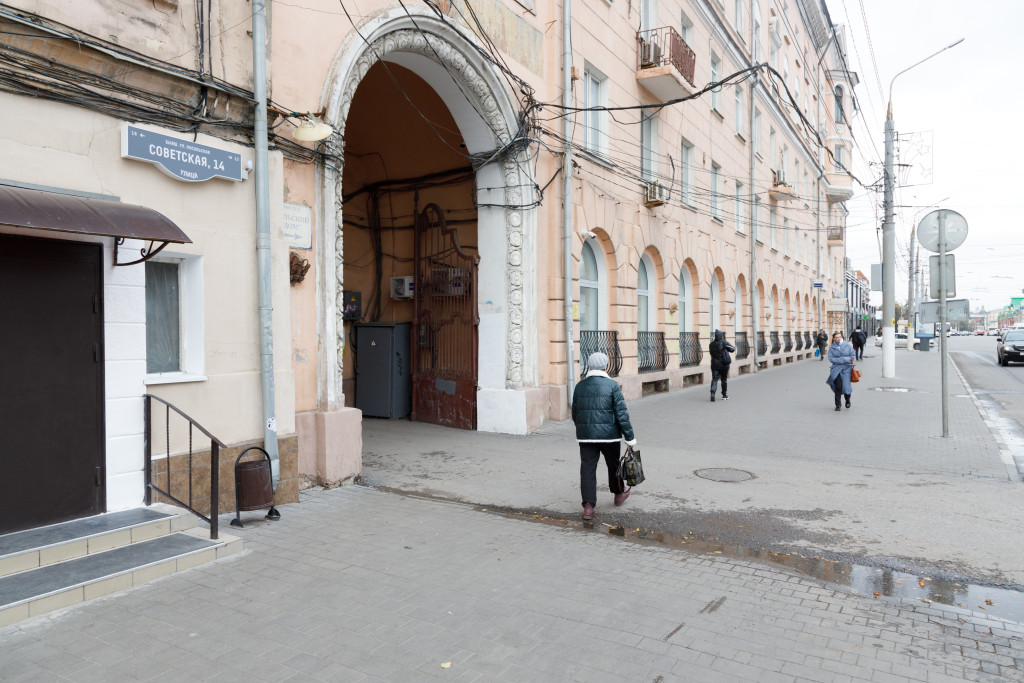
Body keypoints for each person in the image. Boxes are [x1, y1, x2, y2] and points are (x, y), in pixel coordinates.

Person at [571, 352, 636, 520]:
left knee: (587, 468)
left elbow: (575, 413)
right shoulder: (612, 386)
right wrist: (630, 438)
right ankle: (618, 494)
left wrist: (584, 428)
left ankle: (588, 506)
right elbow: (621, 414)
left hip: (586, 437)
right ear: (606, 366)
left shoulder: (580, 386)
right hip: (610, 437)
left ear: (590, 366)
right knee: (614, 465)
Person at [826, 331, 856, 411]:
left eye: (840, 337)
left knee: (846, 387)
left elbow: (853, 356)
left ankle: (847, 399)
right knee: (838, 387)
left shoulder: (848, 345)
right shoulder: (832, 347)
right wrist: (841, 360)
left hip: (847, 369)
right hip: (836, 369)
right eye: (837, 337)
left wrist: (845, 359)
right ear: (834, 338)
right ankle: (838, 405)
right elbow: (831, 358)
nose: (839, 338)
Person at [708, 329, 736, 402]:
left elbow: (711, 353)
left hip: (714, 364)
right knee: (724, 379)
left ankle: (713, 393)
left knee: (714, 379)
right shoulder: (724, 342)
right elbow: (732, 349)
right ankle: (724, 395)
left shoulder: (711, 344)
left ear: (716, 336)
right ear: (721, 336)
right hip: (723, 364)